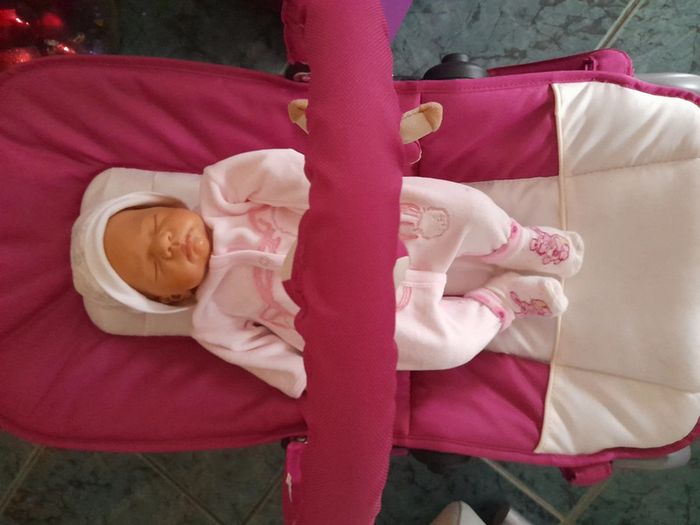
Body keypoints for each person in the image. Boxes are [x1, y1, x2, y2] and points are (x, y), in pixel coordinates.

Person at [71, 104, 583, 399]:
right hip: (363, 313)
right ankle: (502, 304)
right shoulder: (211, 318)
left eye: (157, 225)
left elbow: (293, 172)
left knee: (461, 208)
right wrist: (307, 378)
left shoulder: (223, 193)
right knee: (442, 349)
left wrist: (340, 190)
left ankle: (520, 242)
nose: (165, 243)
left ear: (169, 205)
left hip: (376, 227)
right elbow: (259, 355)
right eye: (155, 263)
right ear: (168, 298)